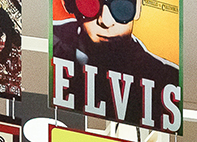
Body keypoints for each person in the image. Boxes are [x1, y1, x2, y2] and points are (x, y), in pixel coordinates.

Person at [52, 0, 180, 129]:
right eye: (90, 6)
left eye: (121, 7)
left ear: (138, 7)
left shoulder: (167, 79)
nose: (106, 22)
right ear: (69, 4)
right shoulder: (50, 46)